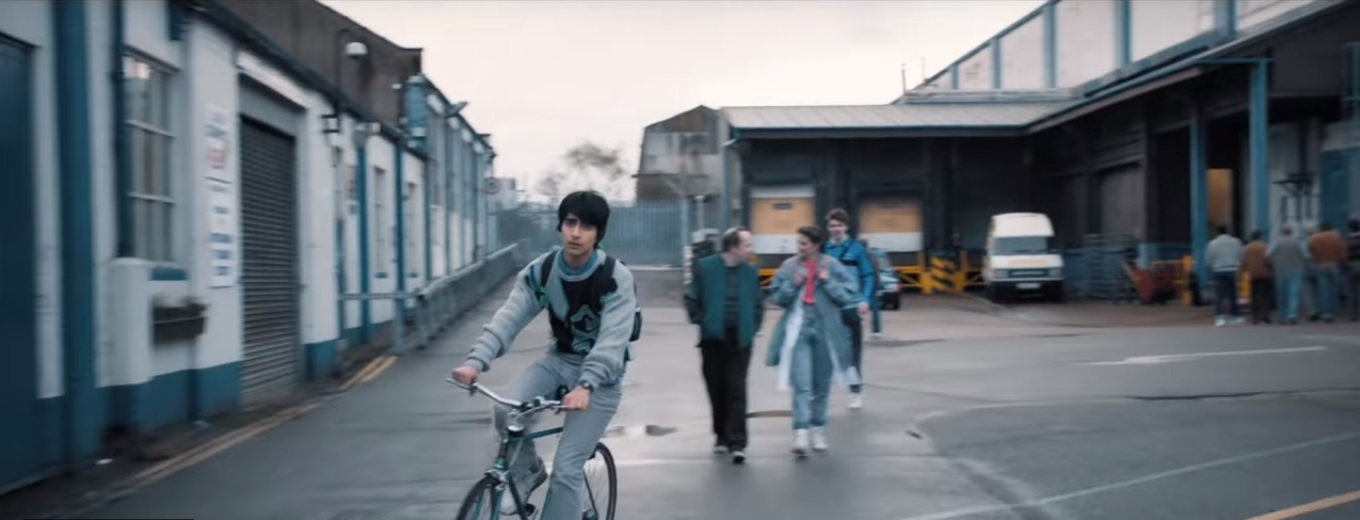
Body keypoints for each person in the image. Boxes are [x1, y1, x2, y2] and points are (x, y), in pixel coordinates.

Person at [450, 190, 637, 519]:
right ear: (560, 225)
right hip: (559, 362)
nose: (576, 233)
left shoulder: (614, 277)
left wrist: (586, 386)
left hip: (601, 381)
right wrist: (475, 362)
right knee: (505, 410)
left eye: (586, 226)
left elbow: (612, 341)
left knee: (566, 470)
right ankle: (527, 471)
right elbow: (509, 318)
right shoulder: (544, 271)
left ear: (598, 233)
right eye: (570, 223)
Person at [765, 226, 862, 457]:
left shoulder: (832, 266)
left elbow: (848, 296)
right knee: (801, 383)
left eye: (804, 244)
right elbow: (776, 297)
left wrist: (828, 282)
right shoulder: (790, 266)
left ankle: (818, 428)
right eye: (798, 243)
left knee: (821, 384)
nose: (799, 248)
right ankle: (800, 432)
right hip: (799, 330)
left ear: (816, 245)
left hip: (826, 331)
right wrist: (793, 283)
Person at [684, 227, 763, 464]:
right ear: (734, 247)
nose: (750, 250)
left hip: (740, 340)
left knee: (736, 388)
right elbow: (691, 296)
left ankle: (738, 442)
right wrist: (703, 320)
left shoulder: (750, 272)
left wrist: (752, 326)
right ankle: (721, 434)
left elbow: (758, 303)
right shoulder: (706, 267)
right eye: (747, 245)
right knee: (716, 388)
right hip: (712, 339)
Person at [822, 209, 873, 409]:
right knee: (827, 352)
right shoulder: (824, 250)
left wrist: (865, 300)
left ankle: (855, 391)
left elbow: (868, 275)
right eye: (832, 226)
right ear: (828, 228)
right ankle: (823, 392)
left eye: (839, 225)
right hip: (830, 308)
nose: (836, 229)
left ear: (846, 227)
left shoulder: (857, 249)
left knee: (853, 353)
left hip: (851, 306)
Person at [1267, 224, 1309, 325]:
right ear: (1291, 232)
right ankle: (1292, 315)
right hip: (1295, 270)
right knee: (1293, 294)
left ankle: (1282, 315)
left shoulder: (1276, 242)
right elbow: (1305, 255)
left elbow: (1267, 255)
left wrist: (1272, 265)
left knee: (1281, 295)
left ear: (1281, 232)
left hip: (1280, 271)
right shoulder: (1297, 242)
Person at [1306, 221, 1348, 323]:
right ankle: (1333, 312)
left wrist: (1317, 260)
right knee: (1334, 290)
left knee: (1324, 291)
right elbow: (1342, 253)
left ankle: (1326, 313)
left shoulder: (1314, 239)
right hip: (1334, 264)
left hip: (1320, 265)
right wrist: (1341, 262)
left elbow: (1311, 252)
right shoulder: (1336, 238)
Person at [1204, 225, 1245, 326]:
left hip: (1218, 270)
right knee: (1233, 294)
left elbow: (1208, 259)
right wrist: (1237, 264)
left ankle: (1220, 317)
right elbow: (1241, 256)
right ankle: (1235, 317)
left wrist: (1213, 266)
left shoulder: (1212, 243)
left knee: (1219, 295)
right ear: (1228, 232)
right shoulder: (1236, 242)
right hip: (1232, 269)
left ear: (1217, 232)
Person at [1241, 230, 1273, 324]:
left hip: (1253, 274)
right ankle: (1265, 315)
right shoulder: (1264, 246)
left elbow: (1243, 262)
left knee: (1254, 295)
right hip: (1265, 273)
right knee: (1265, 295)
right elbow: (1268, 260)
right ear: (1260, 237)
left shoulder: (1246, 248)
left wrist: (1243, 271)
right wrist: (1271, 268)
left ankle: (1255, 317)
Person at [1347, 219, 1360, 321]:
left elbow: (1344, 253)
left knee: (1353, 291)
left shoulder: (1348, 240)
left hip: (1352, 265)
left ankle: (1354, 314)